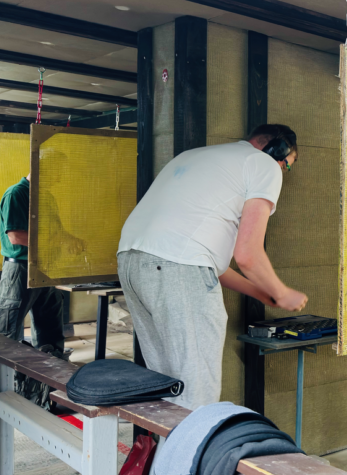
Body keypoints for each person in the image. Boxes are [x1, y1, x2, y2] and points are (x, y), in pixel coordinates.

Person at [117, 124, 309, 410]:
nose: (283, 171)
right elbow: (247, 254)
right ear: (276, 150)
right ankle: (193, 440)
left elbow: (208, 263)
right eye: (287, 164)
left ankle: (165, 440)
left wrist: (262, 293)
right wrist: (282, 293)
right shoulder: (264, 164)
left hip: (131, 262)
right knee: (196, 391)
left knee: (165, 384)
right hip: (177, 270)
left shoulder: (193, 156)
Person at [0, 171, 66, 419]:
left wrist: (71, 240)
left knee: (50, 332)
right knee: (2, 335)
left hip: (44, 267)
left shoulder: (45, 197)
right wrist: (52, 241)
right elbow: (15, 236)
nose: (58, 178)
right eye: (56, 172)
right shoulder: (16, 194)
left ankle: (42, 393)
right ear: (39, 167)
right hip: (20, 269)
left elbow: (57, 231)